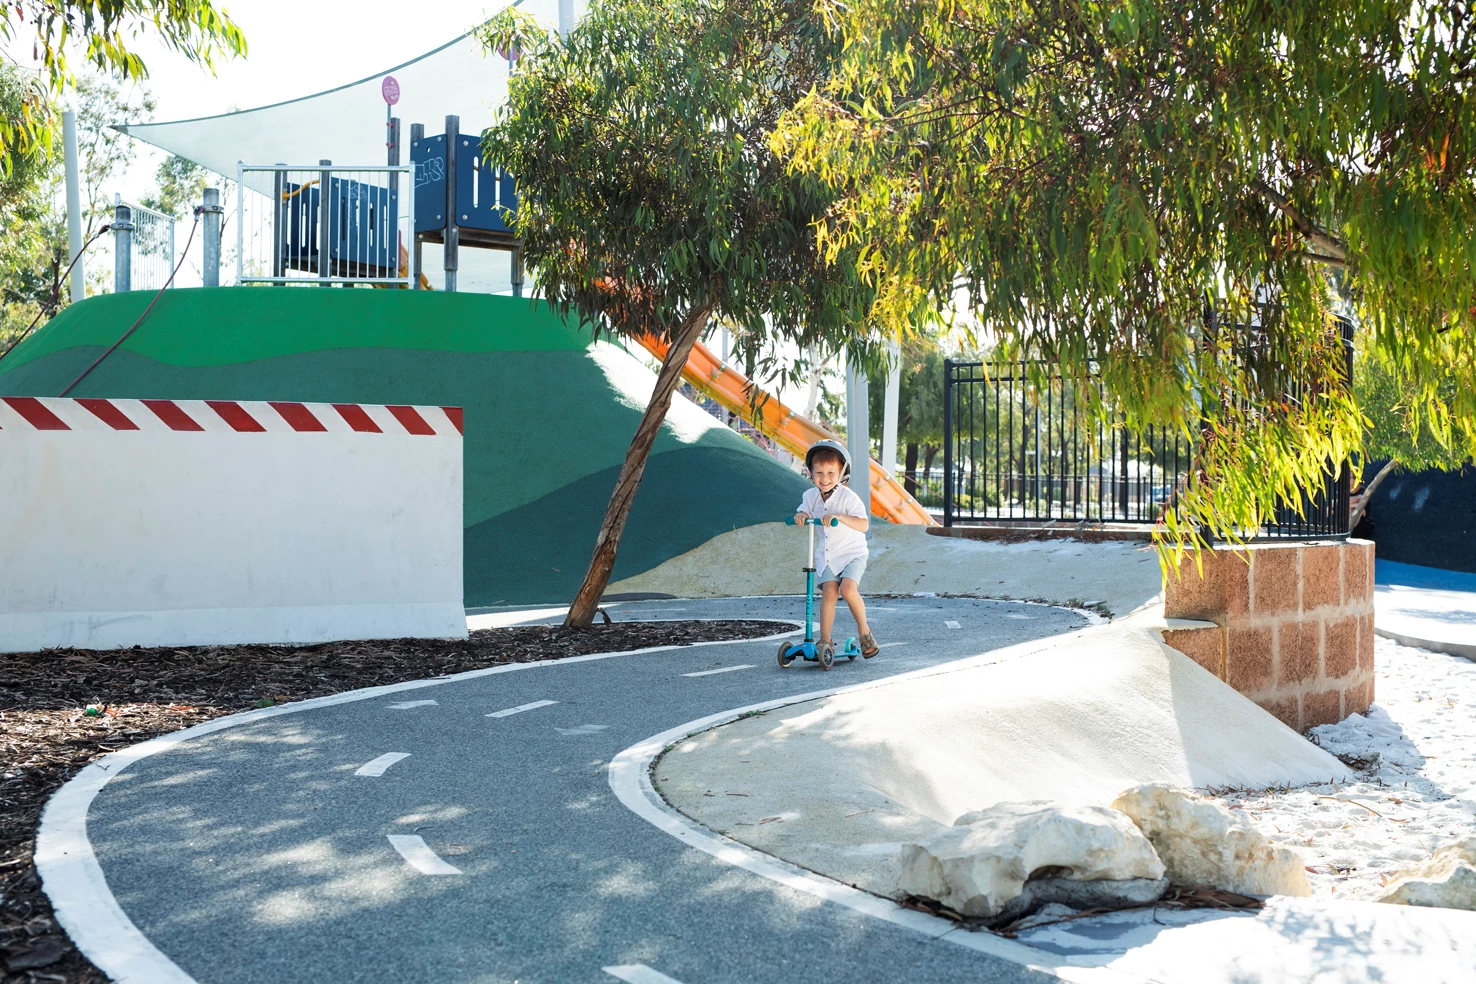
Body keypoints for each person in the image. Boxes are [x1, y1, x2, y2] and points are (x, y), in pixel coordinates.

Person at [793, 439, 880, 658]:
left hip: (852, 553)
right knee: (829, 593)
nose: (824, 479)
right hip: (828, 556)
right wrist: (801, 516)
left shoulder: (848, 498)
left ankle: (864, 631)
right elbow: (802, 511)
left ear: (842, 474)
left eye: (831, 473)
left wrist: (840, 517)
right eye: (819, 473)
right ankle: (825, 640)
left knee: (848, 589)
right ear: (811, 473)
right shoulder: (810, 496)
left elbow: (863, 524)